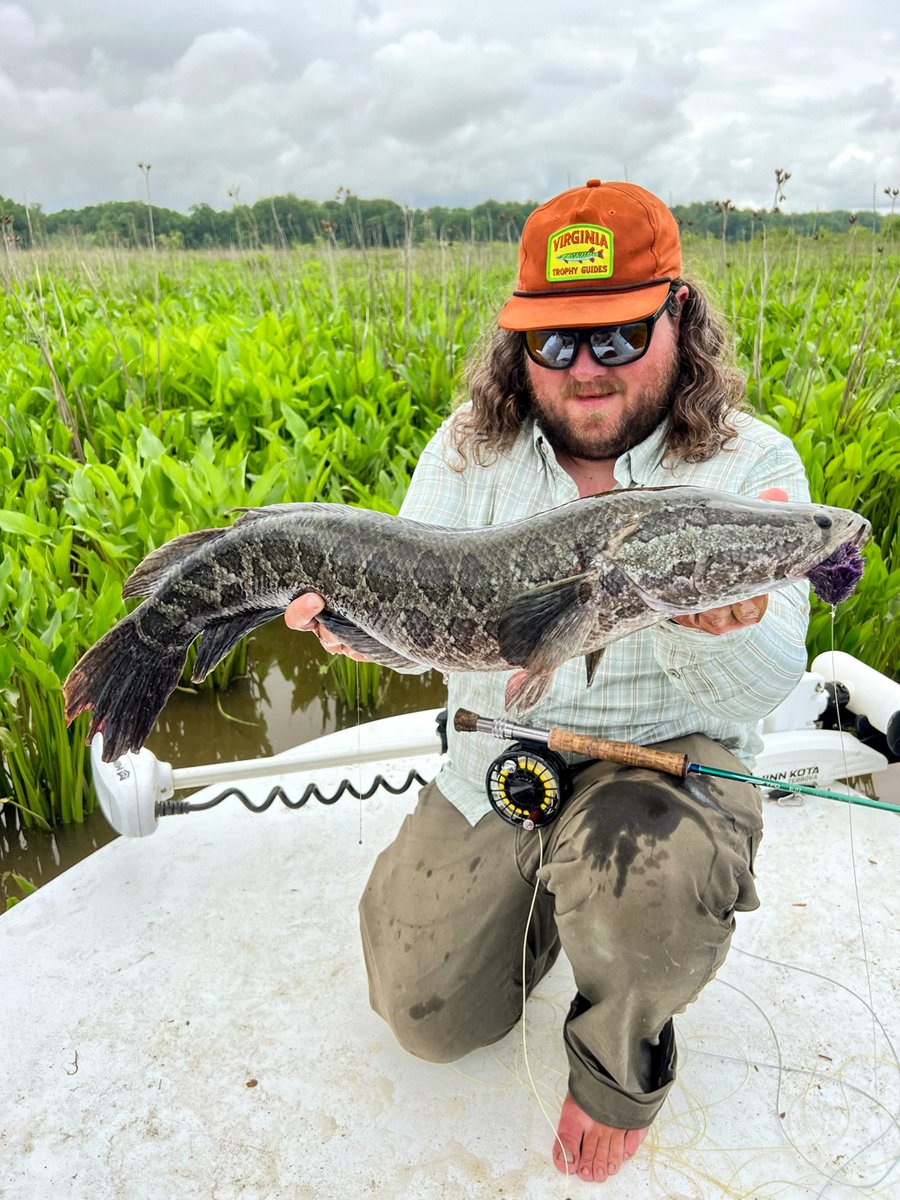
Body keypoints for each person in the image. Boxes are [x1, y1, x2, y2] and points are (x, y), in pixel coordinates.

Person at [285, 179, 811, 1184]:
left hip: (664, 768)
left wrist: (716, 624)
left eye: (617, 335)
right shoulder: (467, 451)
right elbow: (437, 642)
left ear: (679, 318)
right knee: (424, 1011)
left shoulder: (753, 467)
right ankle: (551, 912)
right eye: (554, 342)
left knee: (646, 879)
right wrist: (366, 634)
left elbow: (762, 683)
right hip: (500, 751)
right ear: (517, 347)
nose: (585, 370)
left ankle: (620, 1043)